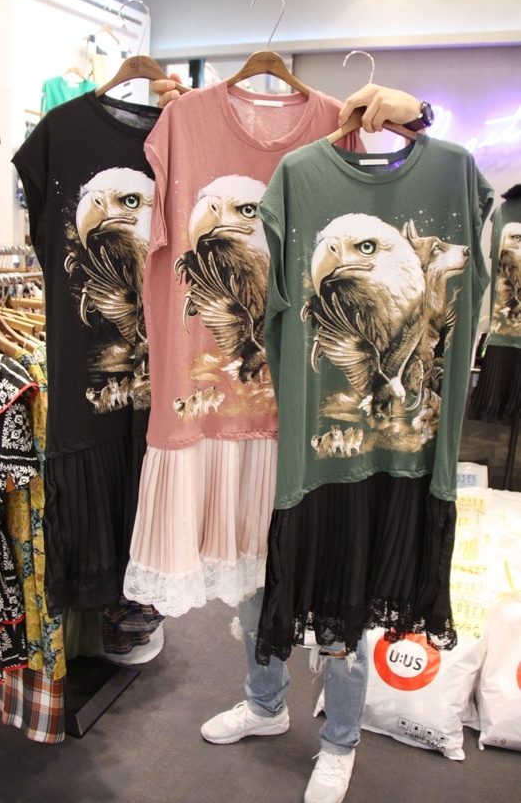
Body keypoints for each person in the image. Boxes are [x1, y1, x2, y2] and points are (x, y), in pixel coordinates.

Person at [149, 74, 431, 803]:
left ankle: (340, 740)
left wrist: (419, 115)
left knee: (339, 590)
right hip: (239, 423)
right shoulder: (191, 128)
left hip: (320, 426)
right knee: (253, 580)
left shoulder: (339, 128)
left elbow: (408, 179)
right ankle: (265, 702)